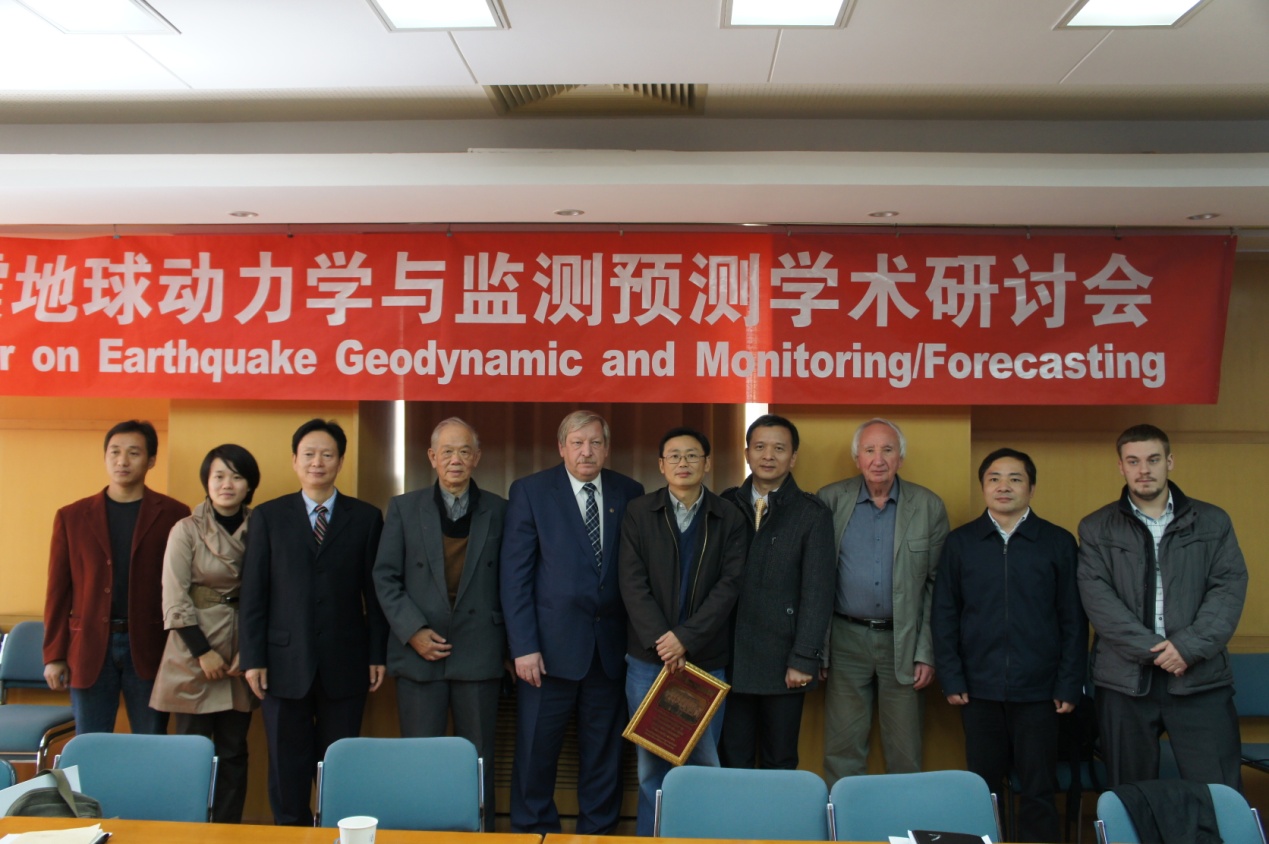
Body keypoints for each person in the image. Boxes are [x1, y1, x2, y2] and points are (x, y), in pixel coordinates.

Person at [1078, 423, 1247, 789]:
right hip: (1125, 683)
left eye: (1153, 459)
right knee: (1131, 794)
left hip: (1199, 677)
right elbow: (1099, 601)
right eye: (1133, 461)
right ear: (1121, 467)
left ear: (1169, 461)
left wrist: (1186, 648)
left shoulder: (1213, 521)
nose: (1144, 469)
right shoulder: (1096, 527)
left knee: (1217, 791)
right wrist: (1157, 652)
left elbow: (1228, 589)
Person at [931, 448, 1086, 843]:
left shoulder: (1057, 542)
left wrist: (1069, 683)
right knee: (983, 789)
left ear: (1031, 488)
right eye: (994, 478)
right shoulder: (961, 542)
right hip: (977, 689)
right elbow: (945, 615)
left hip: (1041, 691)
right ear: (983, 487)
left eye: (1015, 479)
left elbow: (1073, 619)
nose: (1004, 486)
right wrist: (952, 677)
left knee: (1038, 788)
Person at [500, 410, 644, 834]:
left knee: (604, 757)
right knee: (535, 754)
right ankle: (534, 833)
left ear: (607, 448)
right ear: (561, 447)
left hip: (609, 653)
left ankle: (597, 836)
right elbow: (514, 577)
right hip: (545, 654)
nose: (586, 451)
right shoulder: (531, 491)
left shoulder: (629, 491)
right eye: (577, 443)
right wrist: (523, 646)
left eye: (595, 443)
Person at [239, 418, 388, 826]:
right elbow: (253, 595)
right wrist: (253, 658)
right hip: (282, 662)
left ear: (340, 461)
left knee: (340, 761)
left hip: (347, 660)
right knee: (286, 764)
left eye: (326, 454)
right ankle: (290, 832)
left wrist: (377, 653)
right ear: (294, 460)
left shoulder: (366, 518)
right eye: (309, 454)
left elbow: (375, 594)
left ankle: (336, 830)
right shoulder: (268, 517)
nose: (317, 462)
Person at [373, 417, 506, 831]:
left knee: (478, 758)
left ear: (477, 457)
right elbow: (385, 577)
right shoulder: (404, 508)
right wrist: (412, 631)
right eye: (447, 451)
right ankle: (418, 833)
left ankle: (481, 835)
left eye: (464, 451)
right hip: (420, 653)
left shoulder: (500, 510)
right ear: (432, 457)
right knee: (420, 758)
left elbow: (513, 581)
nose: (455, 460)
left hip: (479, 651)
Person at [619, 426, 747, 835]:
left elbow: (729, 586)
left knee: (704, 763)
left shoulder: (728, 516)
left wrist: (685, 639)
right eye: (674, 456)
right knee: (650, 767)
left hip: (704, 661)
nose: (683, 463)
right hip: (648, 660)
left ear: (707, 464)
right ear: (661, 465)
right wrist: (664, 642)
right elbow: (631, 582)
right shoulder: (639, 512)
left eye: (692, 455)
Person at [817, 417, 949, 779]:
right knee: (842, 750)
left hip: (903, 641)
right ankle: (843, 816)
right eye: (870, 450)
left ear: (900, 458)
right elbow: (813, 581)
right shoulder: (829, 500)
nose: (878, 459)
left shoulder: (928, 506)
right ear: (857, 458)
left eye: (888, 450)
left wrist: (926, 651)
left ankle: (901, 817)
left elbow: (938, 587)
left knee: (905, 753)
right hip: (845, 639)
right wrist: (818, 648)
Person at [43, 420, 191, 734]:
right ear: (105, 457)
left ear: (151, 460)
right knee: (90, 744)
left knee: (150, 742)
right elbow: (58, 591)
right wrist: (54, 655)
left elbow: (184, 585)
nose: (122, 461)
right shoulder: (72, 516)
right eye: (115, 452)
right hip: (89, 647)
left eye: (133, 453)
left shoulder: (175, 514)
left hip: (150, 645)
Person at [150, 444, 261, 823]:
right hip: (191, 649)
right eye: (219, 476)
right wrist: (202, 652)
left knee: (234, 751)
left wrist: (251, 651)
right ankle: (186, 830)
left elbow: (271, 592)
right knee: (190, 752)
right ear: (207, 482)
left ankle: (227, 830)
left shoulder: (262, 526)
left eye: (236, 476)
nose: (227, 484)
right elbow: (174, 596)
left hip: (242, 648)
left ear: (249, 485)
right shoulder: (186, 529)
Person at [718, 414, 835, 770]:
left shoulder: (811, 513)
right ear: (747, 453)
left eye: (779, 448)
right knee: (732, 758)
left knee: (779, 759)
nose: (768, 456)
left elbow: (818, 591)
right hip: (729, 658)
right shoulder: (725, 504)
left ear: (793, 457)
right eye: (759, 447)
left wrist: (804, 658)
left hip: (784, 660)